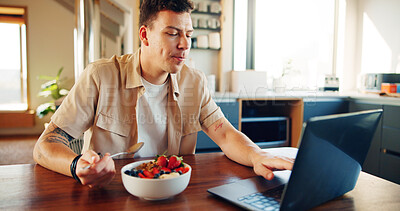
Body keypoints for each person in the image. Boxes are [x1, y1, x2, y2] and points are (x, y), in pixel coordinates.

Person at [33, 0, 294, 188]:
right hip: (111, 193)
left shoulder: (194, 81)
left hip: (172, 191)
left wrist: (258, 155)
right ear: (145, 36)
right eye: (172, 33)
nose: (184, 44)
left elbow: (225, 133)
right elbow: (45, 146)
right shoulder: (100, 76)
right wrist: (76, 164)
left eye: (189, 35)